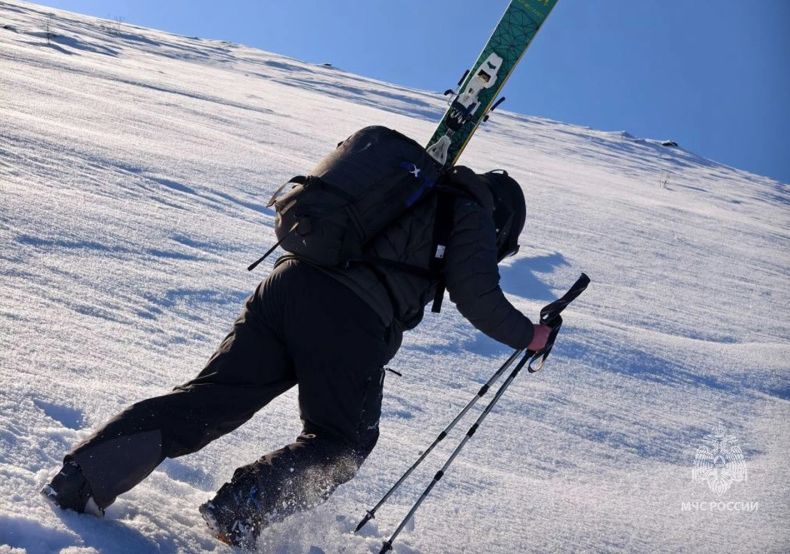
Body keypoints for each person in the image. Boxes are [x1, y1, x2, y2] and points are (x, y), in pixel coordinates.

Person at [42, 129, 552, 548]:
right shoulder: (471, 212)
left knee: (211, 400)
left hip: (287, 282)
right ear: (504, 223)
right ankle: (241, 509)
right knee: (343, 440)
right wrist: (530, 335)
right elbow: (477, 295)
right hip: (348, 315)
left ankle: (83, 477)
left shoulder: (412, 188)